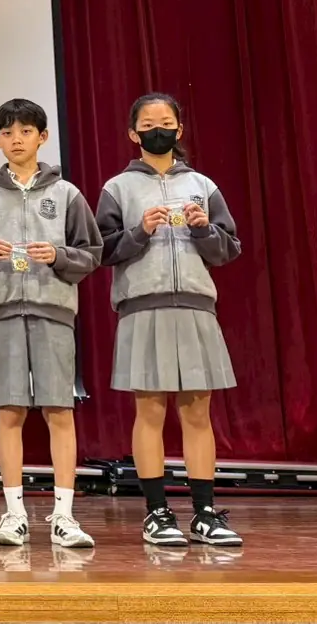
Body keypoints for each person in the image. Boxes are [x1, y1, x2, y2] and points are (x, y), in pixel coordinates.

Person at [96, 93, 243, 547]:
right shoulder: (117, 188)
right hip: (143, 306)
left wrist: (202, 227)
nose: (156, 129)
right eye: (147, 124)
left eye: (165, 122)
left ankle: (204, 512)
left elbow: (228, 249)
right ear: (133, 133)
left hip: (196, 306)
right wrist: (140, 230)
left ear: (179, 130)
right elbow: (102, 250)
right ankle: (157, 512)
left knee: (198, 411)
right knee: (151, 410)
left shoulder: (203, 185)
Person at [0, 99, 102, 549]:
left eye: (25, 131)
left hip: (53, 310)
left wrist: (58, 256)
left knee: (59, 410)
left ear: (42, 137)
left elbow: (91, 254)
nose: (16, 139)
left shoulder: (68, 194)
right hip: (2, 312)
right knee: (10, 411)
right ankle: (14, 514)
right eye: (7, 133)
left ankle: (64, 515)